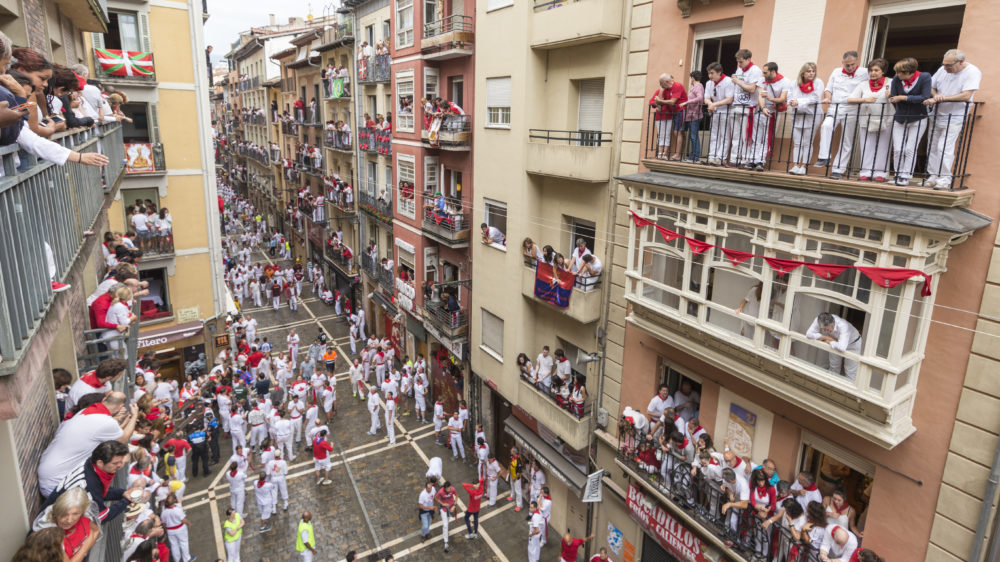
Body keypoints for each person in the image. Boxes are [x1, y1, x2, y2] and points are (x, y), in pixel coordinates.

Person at [924, 49, 981, 190]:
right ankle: (933, 176)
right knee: (932, 146)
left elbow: (966, 95)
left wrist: (943, 98)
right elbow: (931, 86)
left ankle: (944, 179)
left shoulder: (973, 72)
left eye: (949, 65)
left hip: (955, 116)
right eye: (944, 64)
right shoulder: (943, 70)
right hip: (937, 114)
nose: (945, 68)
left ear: (961, 62)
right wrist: (936, 95)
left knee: (944, 148)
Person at [815, 51, 869, 179]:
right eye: (847, 65)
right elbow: (828, 89)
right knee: (826, 126)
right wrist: (828, 98)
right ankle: (824, 157)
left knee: (847, 141)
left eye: (852, 64)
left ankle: (838, 170)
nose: (850, 67)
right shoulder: (836, 71)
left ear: (857, 62)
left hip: (852, 109)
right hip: (835, 107)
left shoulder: (865, 73)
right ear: (842, 63)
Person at [847, 58, 893, 182]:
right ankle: (865, 172)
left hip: (886, 119)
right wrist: (864, 100)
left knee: (883, 146)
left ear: (883, 71)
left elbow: (896, 98)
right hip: (866, 120)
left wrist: (891, 96)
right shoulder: (863, 85)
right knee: (867, 145)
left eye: (876, 70)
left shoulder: (891, 83)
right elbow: (850, 99)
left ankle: (881, 174)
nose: (873, 73)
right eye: (871, 70)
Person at [889, 57, 931, 186]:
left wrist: (904, 97)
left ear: (908, 72)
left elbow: (924, 97)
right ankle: (897, 174)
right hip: (900, 117)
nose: (896, 75)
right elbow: (893, 97)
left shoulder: (924, 77)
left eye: (899, 72)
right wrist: (902, 99)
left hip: (918, 118)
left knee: (910, 149)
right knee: (897, 149)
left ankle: (905, 176)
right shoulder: (896, 80)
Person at [30, 486, 99, 562]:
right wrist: (87, 543)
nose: (69, 520)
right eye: (64, 514)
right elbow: (92, 533)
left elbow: (96, 531)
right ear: (57, 512)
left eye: (75, 514)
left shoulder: (84, 515)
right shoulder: (49, 535)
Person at [728, 49, 765, 169]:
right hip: (737, 105)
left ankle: (745, 159)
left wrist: (737, 81)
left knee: (746, 136)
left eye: (741, 62)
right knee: (735, 135)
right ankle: (734, 159)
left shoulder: (755, 70)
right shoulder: (739, 69)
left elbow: (752, 89)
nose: (739, 64)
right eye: (738, 62)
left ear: (748, 59)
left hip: (748, 107)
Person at [787, 62, 825, 175]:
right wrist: (792, 102)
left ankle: (804, 166)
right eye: (809, 71)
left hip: (812, 115)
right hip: (798, 115)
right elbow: (790, 96)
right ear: (803, 73)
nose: (811, 73)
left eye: (813, 71)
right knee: (797, 142)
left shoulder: (818, 83)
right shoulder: (794, 83)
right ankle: (795, 165)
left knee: (807, 142)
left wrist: (798, 102)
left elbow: (815, 98)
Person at [805, 312, 862, 381]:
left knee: (850, 371)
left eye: (827, 329)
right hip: (833, 341)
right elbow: (809, 334)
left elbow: (842, 347)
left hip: (853, 344)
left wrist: (830, 341)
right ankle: (831, 386)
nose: (824, 330)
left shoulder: (843, 325)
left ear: (833, 324)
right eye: (823, 329)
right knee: (834, 366)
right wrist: (826, 337)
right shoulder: (819, 319)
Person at [649, 73, 687, 160]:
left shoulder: (677, 86)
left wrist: (659, 102)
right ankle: (662, 153)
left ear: (666, 82)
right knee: (672, 133)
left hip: (679, 111)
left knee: (677, 132)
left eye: (661, 83)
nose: (660, 85)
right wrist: (658, 101)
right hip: (671, 114)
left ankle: (677, 155)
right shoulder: (666, 90)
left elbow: (672, 102)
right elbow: (654, 101)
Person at [703, 62, 734, 166]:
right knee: (714, 134)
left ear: (719, 72)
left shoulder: (728, 81)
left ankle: (721, 158)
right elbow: (706, 98)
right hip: (715, 111)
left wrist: (714, 104)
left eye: (712, 73)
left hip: (726, 111)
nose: (710, 76)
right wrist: (710, 104)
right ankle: (712, 156)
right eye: (709, 73)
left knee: (724, 135)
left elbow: (729, 99)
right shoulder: (709, 83)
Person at [680, 70, 704, 162]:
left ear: (693, 78)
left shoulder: (698, 86)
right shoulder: (695, 87)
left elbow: (700, 98)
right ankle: (692, 156)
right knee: (692, 136)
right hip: (691, 116)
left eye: (691, 78)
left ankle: (695, 157)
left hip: (695, 116)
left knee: (694, 136)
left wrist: (686, 102)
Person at [161, 493, 193, 562]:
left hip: (170, 530)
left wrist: (166, 530)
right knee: (184, 543)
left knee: (174, 545)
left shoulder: (164, 512)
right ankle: (186, 559)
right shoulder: (177, 510)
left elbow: (163, 523)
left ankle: (177, 560)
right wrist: (189, 524)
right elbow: (183, 519)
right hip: (180, 529)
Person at [435, 480, 458, 552]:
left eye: (449, 488)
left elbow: (457, 495)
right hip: (444, 509)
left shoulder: (453, 489)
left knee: (447, 523)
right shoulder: (441, 491)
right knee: (445, 525)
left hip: (451, 508)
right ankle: (446, 542)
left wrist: (454, 506)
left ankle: (445, 533)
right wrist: (442, 503)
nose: (448, 490)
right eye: (447, 489)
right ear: (444, 488)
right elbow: (435, 498)